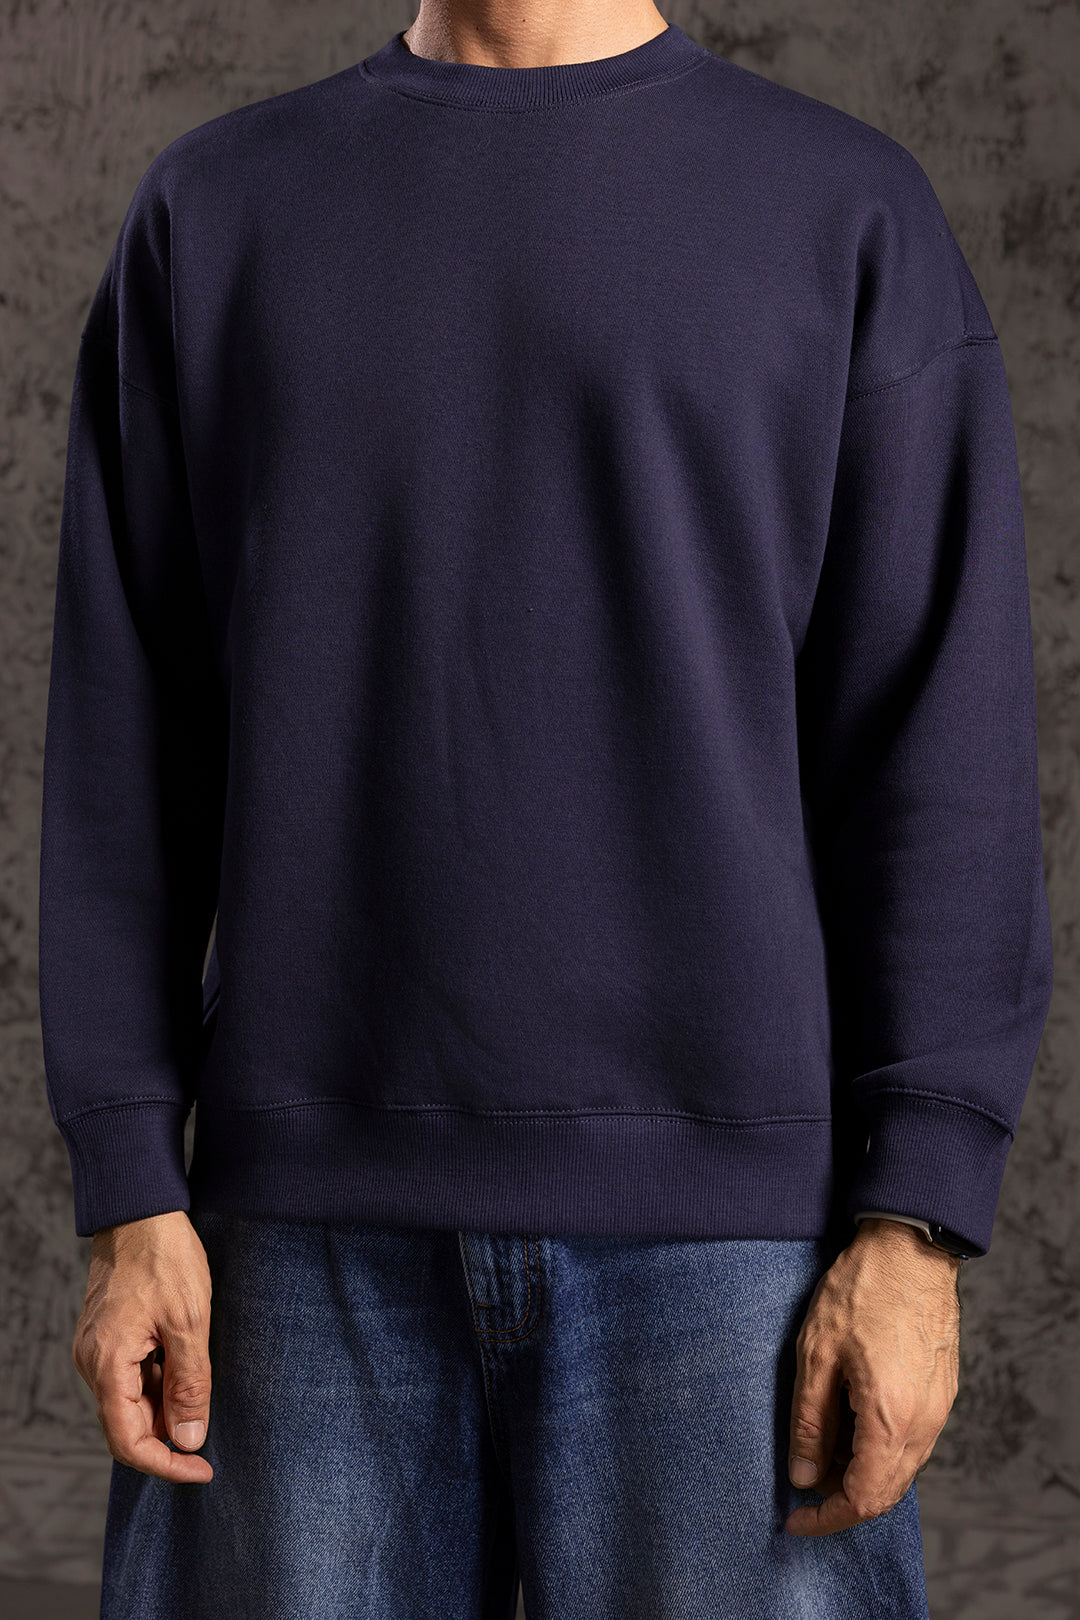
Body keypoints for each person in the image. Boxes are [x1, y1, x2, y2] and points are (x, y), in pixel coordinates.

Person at [39, 1, 1053, 1615]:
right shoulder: (215, 213)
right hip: (291, 1240)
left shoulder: (845, 214)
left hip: (734, 1253)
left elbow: (940, 744)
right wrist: (128, 1192)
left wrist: (918, 1220)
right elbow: (124, 737)